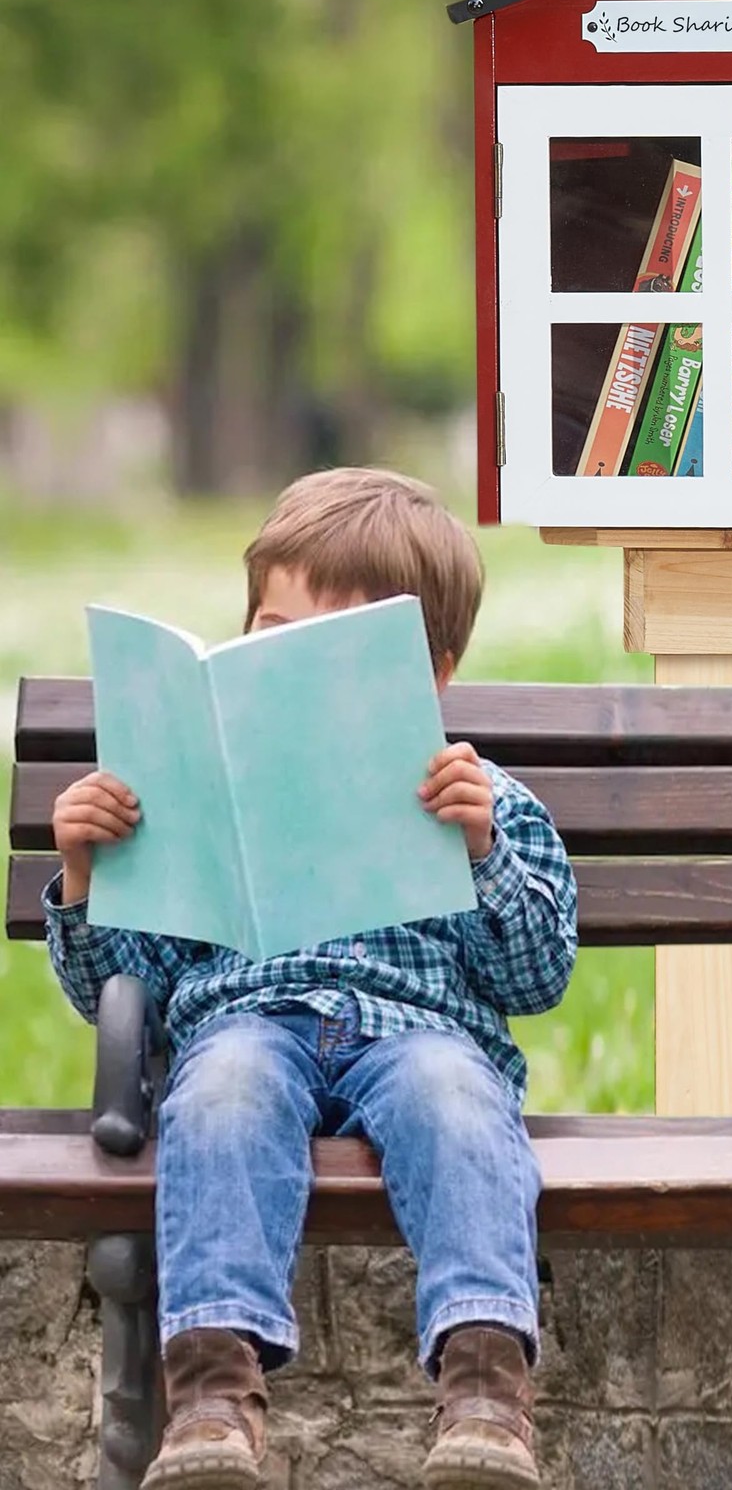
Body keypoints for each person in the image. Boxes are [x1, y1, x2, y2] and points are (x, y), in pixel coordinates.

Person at [45, 467, 577, 1490]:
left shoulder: (484, 799)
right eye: (270, 632)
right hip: (246, 1021)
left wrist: (477, 852)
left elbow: (538, 971)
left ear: (432, 675)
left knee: (457, 1100)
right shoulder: (196, 790)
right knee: (225, 1088)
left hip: (421, 1033)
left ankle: (484, 1389)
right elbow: (121, 990)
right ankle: (209, 1396)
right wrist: (85, 875)